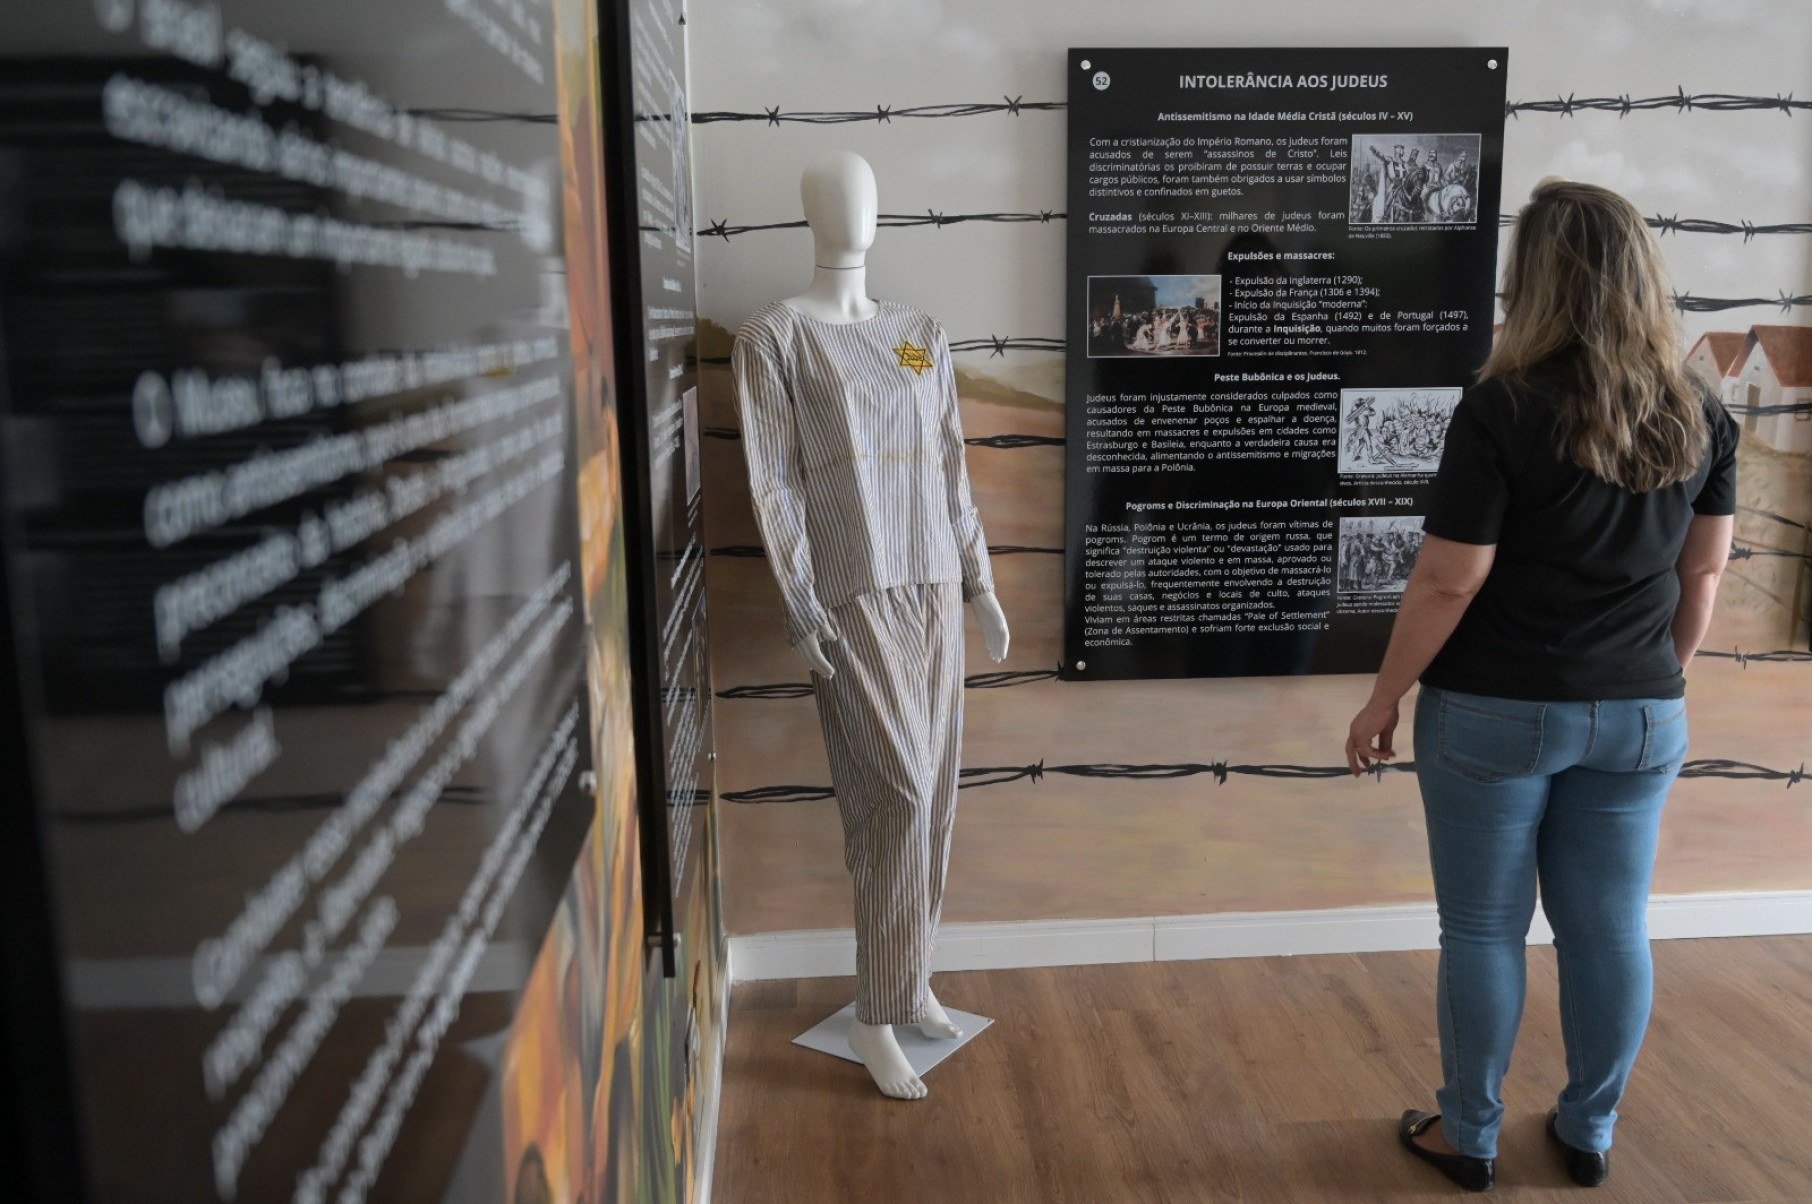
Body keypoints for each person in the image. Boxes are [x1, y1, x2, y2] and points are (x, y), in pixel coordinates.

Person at [1343, 178, 1738, 1192]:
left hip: (1495, 711)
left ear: (1535, 281)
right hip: (1644, 712)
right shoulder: (1700, 409)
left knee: (1481, 926)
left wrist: (1384, 698)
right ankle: (1588, 1129)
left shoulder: (1503, 406)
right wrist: (1657, 682)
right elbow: (1704, 575)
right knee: (1609, 925)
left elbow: (1447, 577)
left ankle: (1469, 1135)